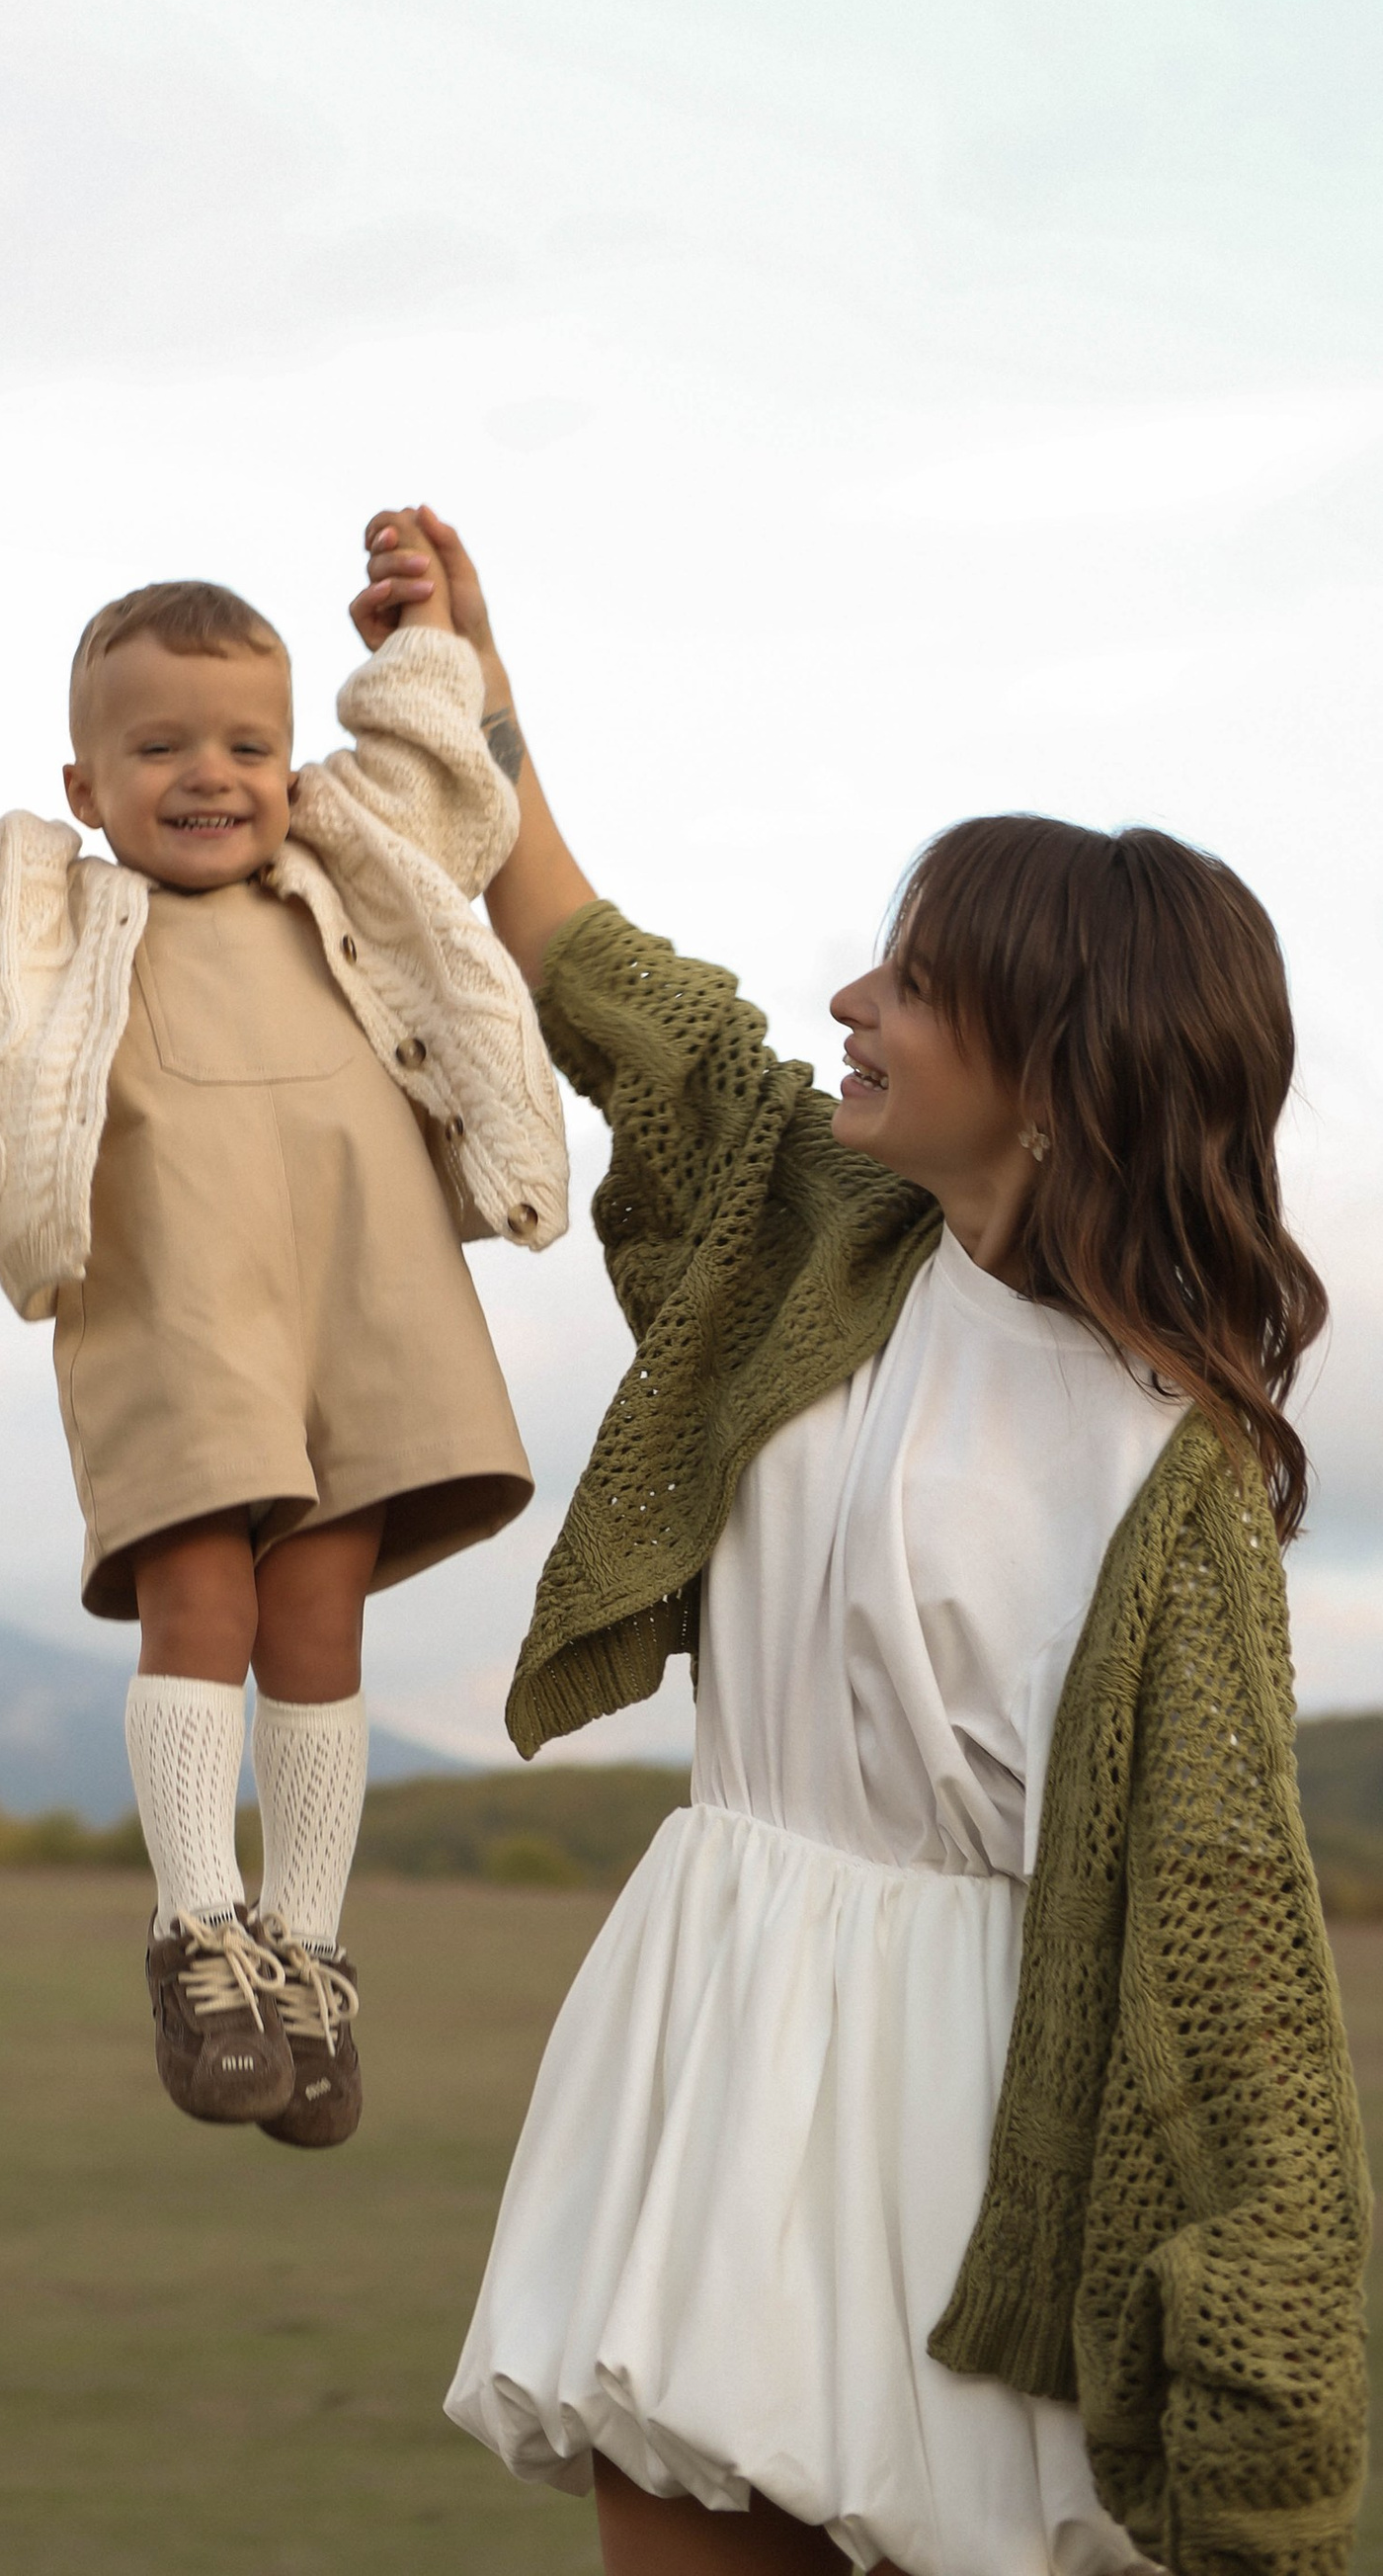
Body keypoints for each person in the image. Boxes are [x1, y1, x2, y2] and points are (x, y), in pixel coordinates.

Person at [348, 510, 1370, 2576]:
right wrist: (475, 692)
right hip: (723, 2019)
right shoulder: (818, 1244)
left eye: (907, 980)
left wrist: (1280, 2428)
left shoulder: (1166, 1476)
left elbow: (1226, 1946)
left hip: (977, 2112)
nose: (844, 998)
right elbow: (613, 990)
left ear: (1056, 1075)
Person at [0, 566, 567, 2149]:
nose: (209, 775)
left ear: (291, 767)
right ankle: (197, 1930)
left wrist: (430, 637)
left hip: (370, 1282)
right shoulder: (46, 908)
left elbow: (448, 793)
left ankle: (305, 1945)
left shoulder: (350, 871)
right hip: (176, 1288)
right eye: (158, 750)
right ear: (82, 785)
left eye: (245, 745)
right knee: (200, 1590)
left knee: (321, 1607)